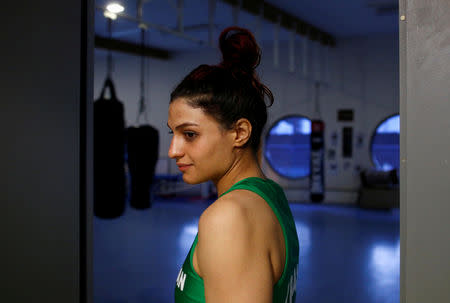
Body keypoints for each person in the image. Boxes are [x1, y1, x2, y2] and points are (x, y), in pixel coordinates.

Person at [168, 26, 299, 303]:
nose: (173, 151)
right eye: (173, 133)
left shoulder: (228, 218)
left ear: (240, 133)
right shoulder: (269, 195)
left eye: (189, 134)